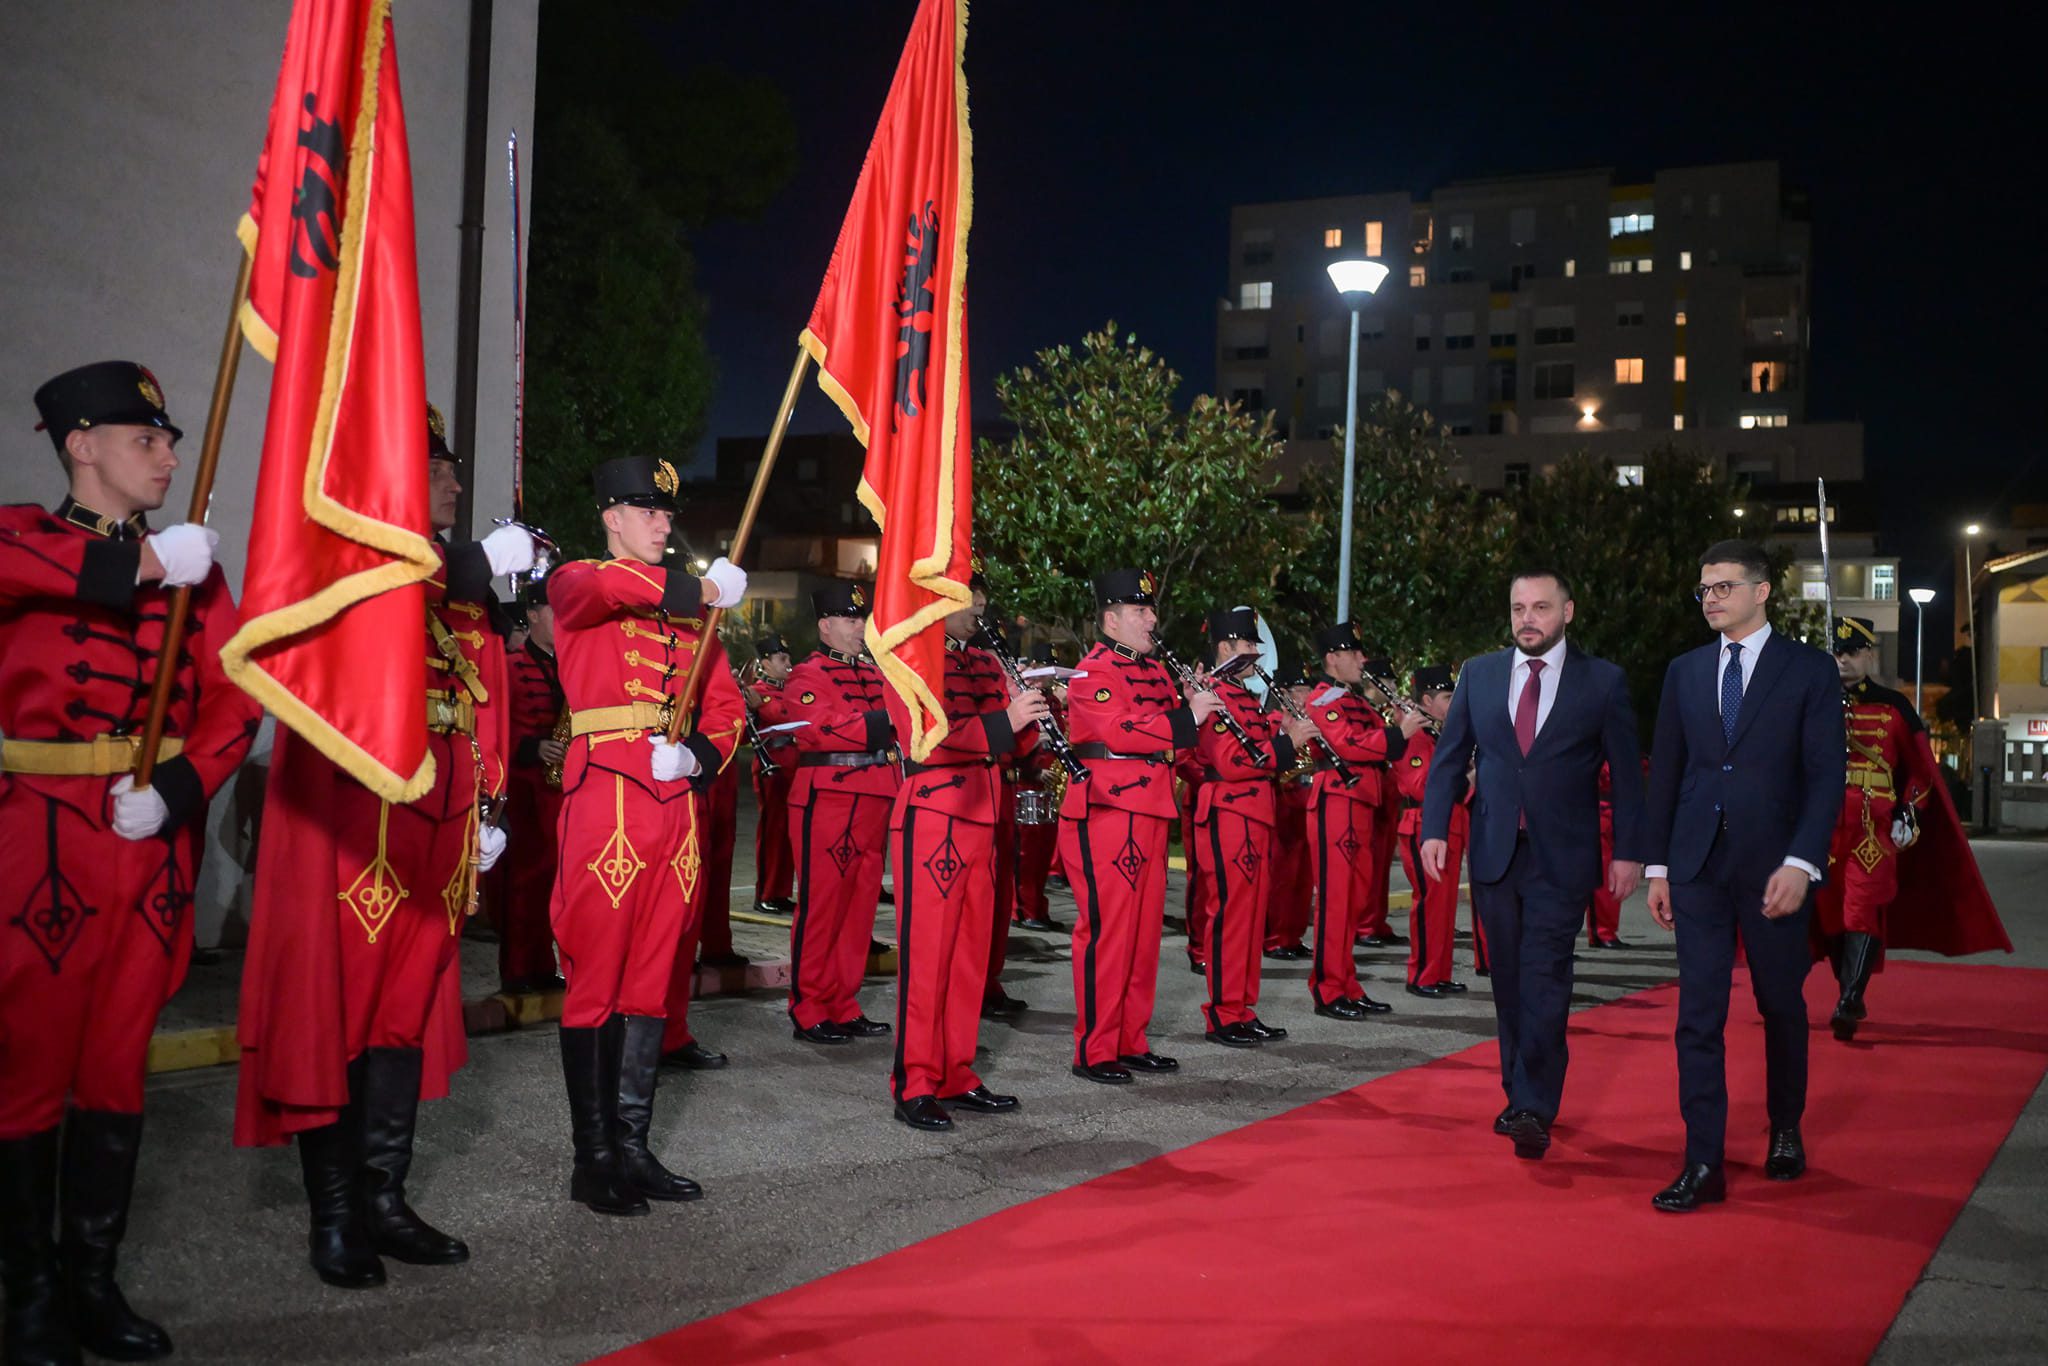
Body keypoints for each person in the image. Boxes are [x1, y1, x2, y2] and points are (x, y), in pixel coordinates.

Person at [1, 362, 260, 1363]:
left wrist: (185, 790)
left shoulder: (197, 570)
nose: (169, 454)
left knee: (116, 1065)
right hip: (42, 837)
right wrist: (145, 571)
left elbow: (236, 700)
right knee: (28, 1066)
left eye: (170, 440)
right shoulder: (24, 533)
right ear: (81, 444)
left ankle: (92, 1282)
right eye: (145, 438)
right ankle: (27, 1298)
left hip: (147, 835)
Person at [237, 403, 531, 1285]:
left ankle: (384, 1198)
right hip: (356, 834)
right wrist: (475, 563)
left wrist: (491, 805)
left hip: (436, 838)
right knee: (342, 1019)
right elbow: (374, 605)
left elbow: (484, 700)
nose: (453, 479)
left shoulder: (455, 594)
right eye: (436, 465)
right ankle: (335, 1218)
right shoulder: (359, 562)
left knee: (402, 1020)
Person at [544, 456, 746, 1216]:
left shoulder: (697, 620)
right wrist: (701, 589)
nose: (663, 522)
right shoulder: (578, 582)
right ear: (611, 517)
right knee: (596, 980)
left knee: (651, 985)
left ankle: (632, 1147)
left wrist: (695, 754)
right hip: (608, 803)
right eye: (645, 509)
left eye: (665, 511)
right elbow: (601, 588)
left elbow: (724, 711)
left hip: (675, 812)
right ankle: (592, 1159)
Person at [1641, 540, 1843, 1211]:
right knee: (1697, 1016)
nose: (1711, 599)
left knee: (1780, 1005)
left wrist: (1801, 861)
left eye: (1724, 586)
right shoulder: (1685, 671)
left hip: (1774, 869)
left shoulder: (1808, 670)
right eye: (1704, 589)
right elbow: (1667, 772)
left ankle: (1785, 1127)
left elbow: (1826, 777)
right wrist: (1659, 866)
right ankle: (1703, 1161)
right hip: (1698, 865)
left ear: (1762, 592)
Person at [1421, 569, 1644, 1162]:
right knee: (1510, 981)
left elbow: (1627, 776)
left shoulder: (1602, 682)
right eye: (1519, 607)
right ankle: (1518, 1091)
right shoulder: (1480, 673)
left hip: (1562, 858)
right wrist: (1434, 829)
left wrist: (1628, 852)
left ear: (1567, 612)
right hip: (1496, 852)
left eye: (1540, 607)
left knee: (1546, 975)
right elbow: (1449, 759)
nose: (1527, 618)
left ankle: (1533, 1105)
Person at [887, 582, 1049, 1129]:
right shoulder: (910, 656)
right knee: (929, 955)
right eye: (967, 598)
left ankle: (956, 1072)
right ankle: (914, 1082)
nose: (980, 607)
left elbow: (1009, 740)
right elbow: (928, 734)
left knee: (969, 956)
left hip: (983, 811)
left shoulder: (982, 659)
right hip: (937, 814)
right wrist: (1009, 719)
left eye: (980, 598)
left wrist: (1035, 721)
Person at [1060, 569, 1220, 1084]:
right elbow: (1119, 730)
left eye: (1151, 610)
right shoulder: (1091, 672)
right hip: (1109, 809)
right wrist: (1186, 717)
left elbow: (1177, 738)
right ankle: (1096, 1047)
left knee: (1143, 932)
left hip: (1150, 808)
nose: (1152, 619)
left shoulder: (1154, 671)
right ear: (1111, 619)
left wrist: (1196, 706)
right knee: (1108, 931)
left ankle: (1130, 1038)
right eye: (1139, 611)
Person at [1815, 616, 2008, 1040]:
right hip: (1823, 827)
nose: (1843, 660)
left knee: (1861, 909)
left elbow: (1922, 772)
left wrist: (1910, 812)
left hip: (1872, 826)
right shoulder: (1815, 702)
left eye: (1851, 653)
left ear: (1870, 655)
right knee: (1829, 917)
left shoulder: (1895, 705)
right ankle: (1847, 987)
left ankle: (1850, 999)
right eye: (1837, 652)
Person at [783, 582, 900, 1045]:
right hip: (829, 799)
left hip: (874, 797)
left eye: (861, 619)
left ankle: (843, 1002)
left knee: (859, 907)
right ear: (825, 626)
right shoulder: (807, 675)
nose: (859, 628)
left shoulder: (874, 673)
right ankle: (810, 1006)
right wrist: (886, 720)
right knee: (823, 905)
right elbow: (825, 730)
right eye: (850, 620)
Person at [1191, 608, 1313, 1047]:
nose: (1256, 653)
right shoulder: (1215, 694)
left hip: (1255, 812)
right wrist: (1286, 743)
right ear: (1226, 648)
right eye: (1248, 645)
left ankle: (1242, 1008)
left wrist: (1282, 728)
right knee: (1230, 916)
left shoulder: (1244, 695)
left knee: (1252, 915)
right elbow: (1233, 761)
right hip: (1230, 812)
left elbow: (1262, 750)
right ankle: (1222, 1014)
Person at [1303, 624, 1418, 1019]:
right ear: (1332, 659)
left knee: (1354, 898)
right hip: (1338, 801)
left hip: (1362, 803)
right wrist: (1398, 732)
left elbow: (1375, 738)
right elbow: (1348, 743)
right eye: (1353, 653)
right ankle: (1327, 987)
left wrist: (1399, 722)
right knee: (1335, 899)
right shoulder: (1323, 698)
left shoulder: (1356, 700)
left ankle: (1347, 982)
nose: (1362, 660)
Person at [496, 575, 566, 994]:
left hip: (560, 789)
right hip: (523, 787)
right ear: (535, 615)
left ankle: (543, 965)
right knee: (522, 882)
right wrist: (532, 748)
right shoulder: (509, 666)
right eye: (556, 614)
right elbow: (492, 727)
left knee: (553, 880)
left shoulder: (570, 666)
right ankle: (518, 971)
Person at [1395, 665, 1469, 997]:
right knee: (1429, 904)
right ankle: (1422, 975)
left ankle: (1438, 972)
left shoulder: (1439, 734)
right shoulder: (1415, 737)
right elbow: (1424, 786)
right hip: (1423, 825)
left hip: (1447, 825)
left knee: (1444, 906)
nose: (1454, 703)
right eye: (1447, 697)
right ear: (1426, 700)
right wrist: (1470, 776)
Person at [1009, 642, 1066, 936]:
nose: (1046, 679)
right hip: (1026, 780)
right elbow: (1011, 744)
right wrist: (1034, 766)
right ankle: (1023, 910)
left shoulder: (1052, 702)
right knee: (1026, 855)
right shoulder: (1022, 697)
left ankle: (1039, 909)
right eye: (1042, 670)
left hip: (1049, 783)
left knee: (1043, 853)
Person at [1263, 669, 1316, 962]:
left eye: (1307, 689)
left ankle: (1293, 936)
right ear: (1282, 694)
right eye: (1298, 689)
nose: (1306, 695)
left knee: (1303, 876)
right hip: (1283, 801)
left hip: (1306, 800)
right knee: (1282, 874)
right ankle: (1275, 938)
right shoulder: (1271, 721)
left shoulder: (1312, 721)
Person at [1355, 656, 1407, 948]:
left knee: (1383, 862)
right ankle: (1365, 923)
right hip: (1371, 790)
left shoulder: (1385, 711)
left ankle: (1377, 920)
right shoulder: (1363, 710)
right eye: (1388, 682)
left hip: (1388, 793)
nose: (1393, 687)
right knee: (1369, 863)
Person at [745, 633, 799, 916]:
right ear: (765, 662)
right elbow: (782, 714)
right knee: (771, 833)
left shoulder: (789, 689)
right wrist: (761, 706)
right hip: (772, 769)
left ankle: (780, 892)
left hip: (794, 766)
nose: (788, 664)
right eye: (782, 658)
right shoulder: (756, 691)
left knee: (789, 834)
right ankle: (764, 893)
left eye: (788, 658)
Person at [1581, 761, 1629, 948]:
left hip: (1612, 807)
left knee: (1608, 876)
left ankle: (1604, 930)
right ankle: (1601, 931)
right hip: (1596, 808)